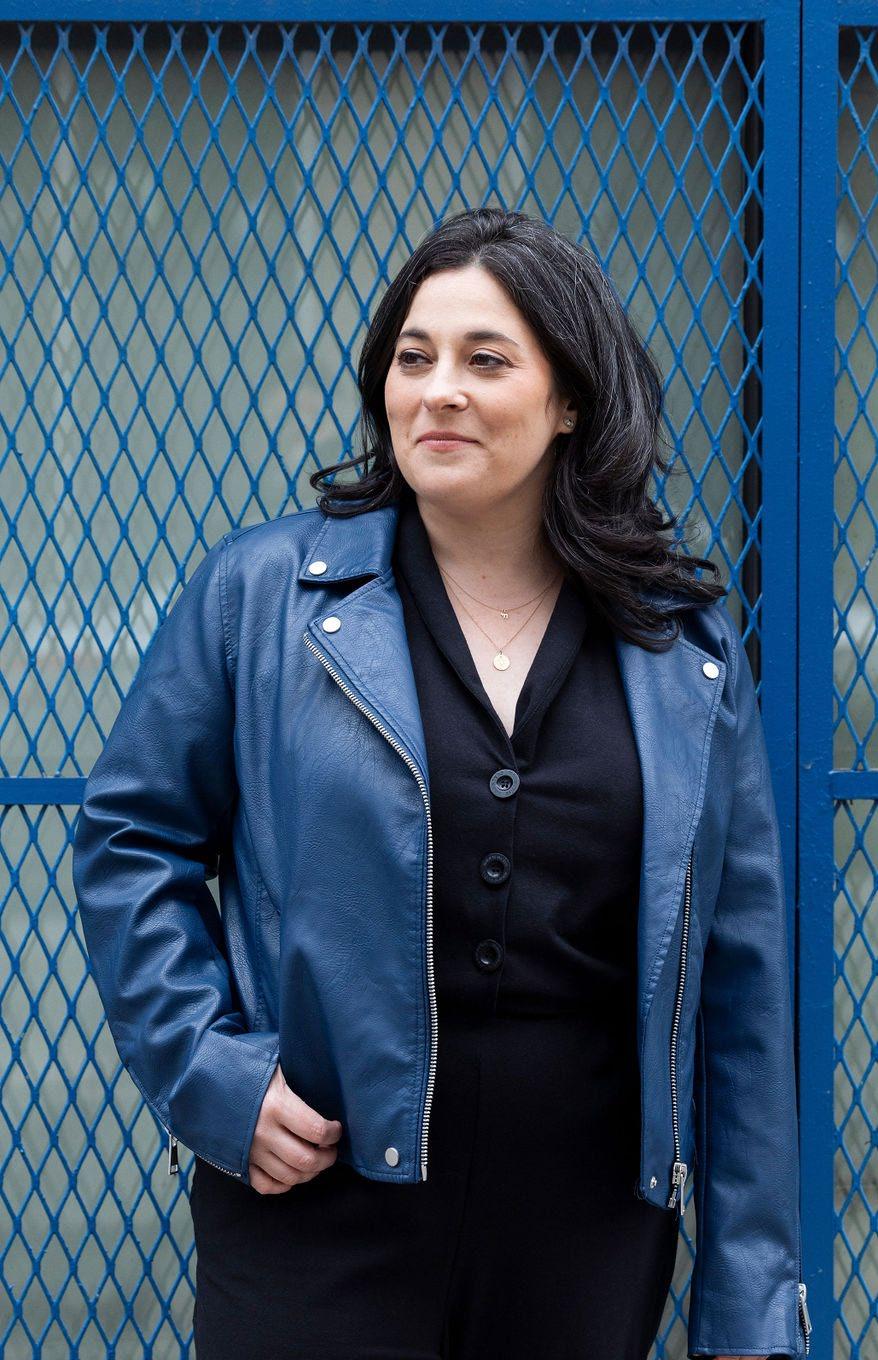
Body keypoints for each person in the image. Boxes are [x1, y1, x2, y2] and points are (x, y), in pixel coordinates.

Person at [71, 206, 811, 1360]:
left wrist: (748, 1307)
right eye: (412, 358)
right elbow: (130, 838)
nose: (438, 391)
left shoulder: (679, 644)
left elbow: (737, 974)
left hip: (584, 1235)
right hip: (313, 1203)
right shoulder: (259, 597)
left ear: (570, 401)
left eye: (485, 360)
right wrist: (209, 1069)